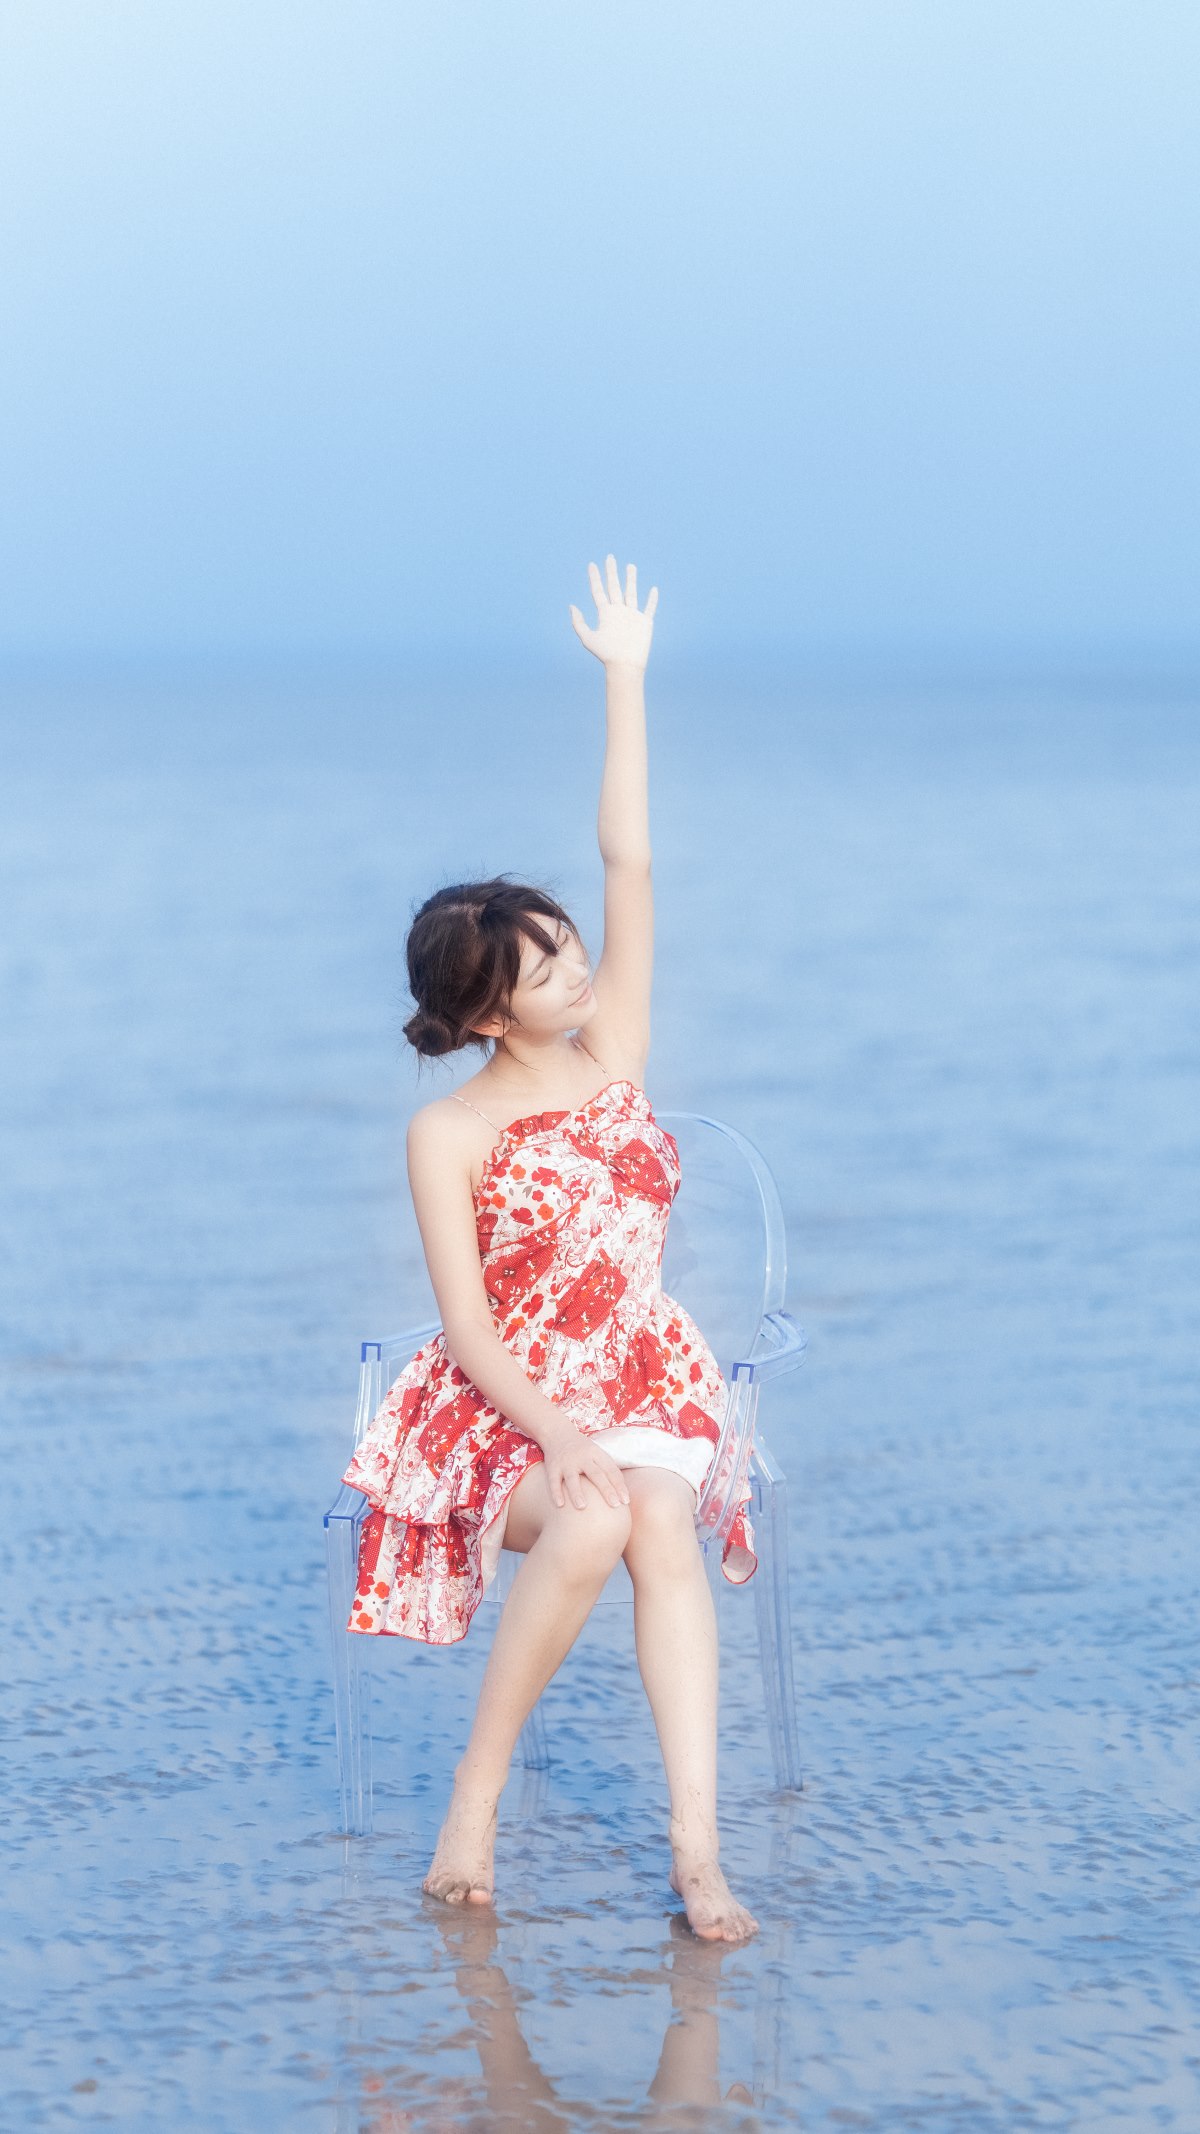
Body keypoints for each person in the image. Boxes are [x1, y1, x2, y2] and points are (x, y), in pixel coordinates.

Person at [342, 555, 759, 1942]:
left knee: (657, 1516)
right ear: (482, 1015)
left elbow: (630, 857)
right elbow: (466, 1328)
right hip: (499, 1401)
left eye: (571, 944)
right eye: (547, 967)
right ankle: (476, 1802)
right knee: (590, 1512)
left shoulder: (613, 1045)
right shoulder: (448, 1133)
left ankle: (697, 1851)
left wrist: (625, 678)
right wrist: (555, 1430)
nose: (579, 968)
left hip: (643, 1372)